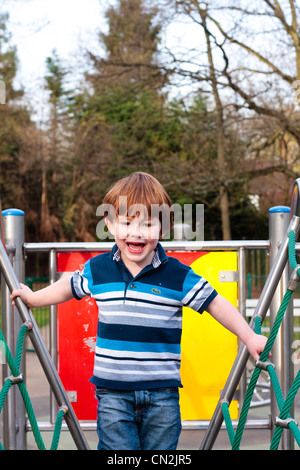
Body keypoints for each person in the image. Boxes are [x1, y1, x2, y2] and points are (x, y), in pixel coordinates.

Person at [10, 172, 267, 451]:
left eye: (147, 223)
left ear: (163, 228)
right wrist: (34, 298)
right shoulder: (99, 269)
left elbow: (216, 303)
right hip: (113, 395)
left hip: (162, 397)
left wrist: (249, 336)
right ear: (109, 223)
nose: (137, 232)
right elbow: (66, 288)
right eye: (127, 222)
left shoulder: (177, 275)